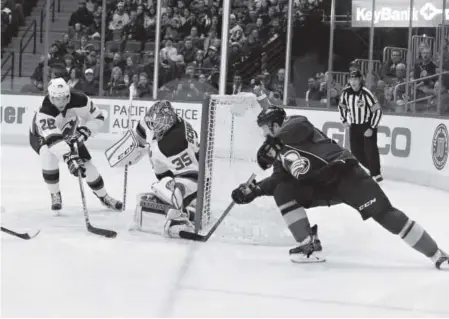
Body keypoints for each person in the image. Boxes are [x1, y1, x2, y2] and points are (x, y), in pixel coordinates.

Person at [231, 106, 448, 269]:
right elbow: (277, 180)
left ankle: (437, 254)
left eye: (265, 129)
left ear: (275, 124)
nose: (264, 135)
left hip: (346, 175)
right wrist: (254, 190)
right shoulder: (280, 155)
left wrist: (273, 144)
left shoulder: (295, 124)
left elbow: (301, 126)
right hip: (321, 187)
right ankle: (308, 245)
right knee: (282, 189)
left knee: (385, 214)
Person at [106, 100, 199, 237]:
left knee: (163, 187)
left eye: (159, 126)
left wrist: (177, 188)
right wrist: (134, 149)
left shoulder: (174, 142)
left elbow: (192, 174)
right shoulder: (155, 120)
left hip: (194, 174)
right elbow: (140, 135)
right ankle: (186, 207)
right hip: (175, 164)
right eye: (153, 124)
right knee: (161, 175)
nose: (155, 128)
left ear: (168, 123)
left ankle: (180, 216)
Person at [29, 78, 122, 211]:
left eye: (64, 98)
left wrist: (86, 130)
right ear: (50, 97)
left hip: (68, 129)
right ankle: (55, 193)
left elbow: (98, 117)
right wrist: (70, 158)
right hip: (42, 136)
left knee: (87, 165)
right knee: (47, 155)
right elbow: (53, 141)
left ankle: (104, 196)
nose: (60, 102)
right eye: (56, 98)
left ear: (68, 94)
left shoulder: (81, 100)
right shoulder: (45, 112)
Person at [338, 70, 383, 182]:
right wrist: (344, 120)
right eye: (351, 79)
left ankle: (376, 173)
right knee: (356, 152)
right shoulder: (346, 93)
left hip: (366, 124)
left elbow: (377, 111)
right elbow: (341, 106)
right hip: (354, 126)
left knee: (370, 149)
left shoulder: (366, 93)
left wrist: (372, 127)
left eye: (355, 79)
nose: (353, 82)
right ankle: (371, 169)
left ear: (360, 80)